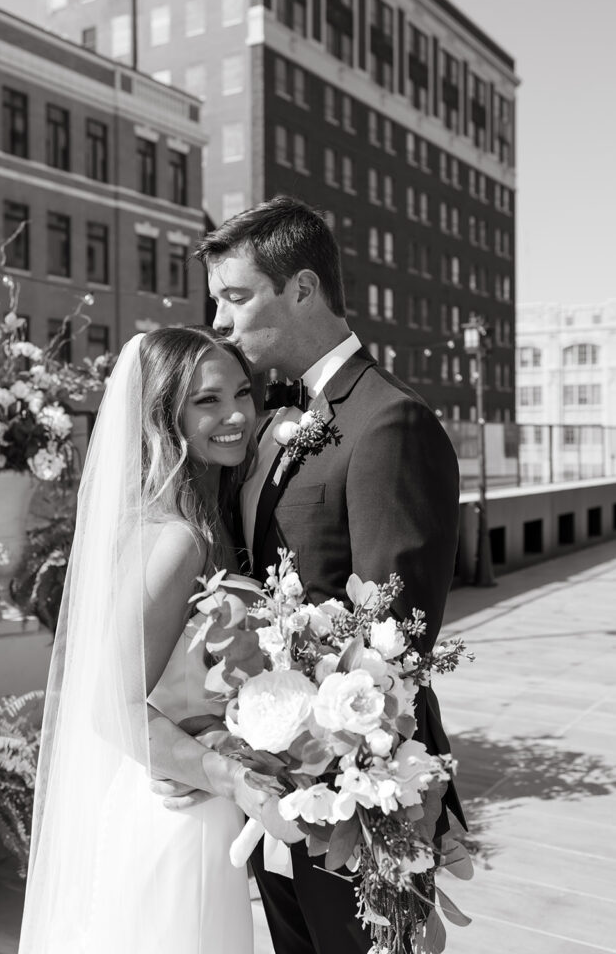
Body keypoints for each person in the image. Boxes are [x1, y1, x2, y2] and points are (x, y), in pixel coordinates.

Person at [188, 195, 466, 954]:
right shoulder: (269, 418)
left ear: (302, 289)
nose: (221, 322)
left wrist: (324, 770)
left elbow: (393, 636)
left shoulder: (387, 422)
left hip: (355, 786)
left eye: (237, 297)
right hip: (273, 774)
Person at [18, 326, 274, 954]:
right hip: (179, 814)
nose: (235, 414)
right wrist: (226, 774)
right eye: (207, 401)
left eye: (241, 393)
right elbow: (112, 704)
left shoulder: (154, 519)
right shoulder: (178, 538)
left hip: (166, 793)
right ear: (166, 416)